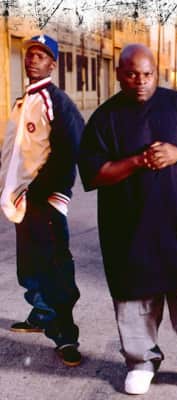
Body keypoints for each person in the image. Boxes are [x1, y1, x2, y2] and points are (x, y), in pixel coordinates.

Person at [78, 43, 177, 397]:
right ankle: (140, 363)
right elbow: (95, 173)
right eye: (132, 74)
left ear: (156, 73)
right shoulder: (105, 117)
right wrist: (137, 161)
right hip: (129, 226)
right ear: (119, 74)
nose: (140, 81)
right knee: (135, 298)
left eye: (147, 74)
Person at [0, 34, 83, 366]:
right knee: (29, 267)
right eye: (30, 54)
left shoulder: (54, 100)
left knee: (54, 270)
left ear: (52, 64)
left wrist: (45, 192)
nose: (33, 60)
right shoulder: (24, 102)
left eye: (41, 56)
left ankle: (65, 336)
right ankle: (41, 314)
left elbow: (72, 148)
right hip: (22, 201)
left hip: (44, 199)